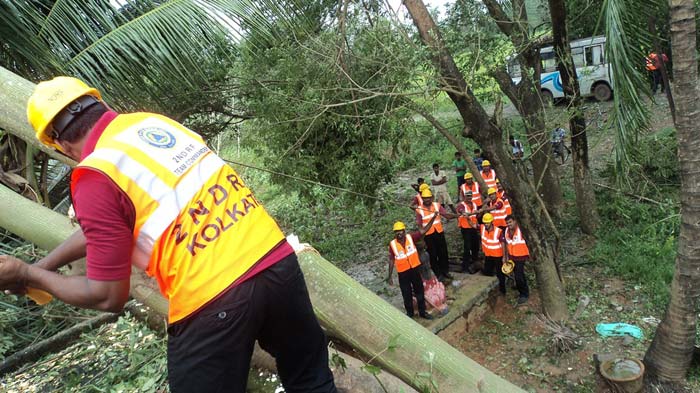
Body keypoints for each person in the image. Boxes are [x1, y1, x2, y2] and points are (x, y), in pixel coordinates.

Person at [0, 76, 337, 393]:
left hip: (212, 297)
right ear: (96, 103)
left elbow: (107, 295)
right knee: (311, 381)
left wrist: (29, 275)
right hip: (275, 263)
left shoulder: (95, 175)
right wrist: (39, 268)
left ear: (59, 144)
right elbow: (108, 229)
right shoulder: (152, 124)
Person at [387, 220, 434, 319]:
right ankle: (410, 314)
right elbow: (391, 260)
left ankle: (423, 312)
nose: (398, 233)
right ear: (394, 233)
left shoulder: (410, 237)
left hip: (414, 269)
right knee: (406, 294)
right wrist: (389, 276)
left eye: (400, 231)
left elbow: (423, 231)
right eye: (396, 231)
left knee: (419, 291)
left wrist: (433, 218)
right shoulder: (392, 244)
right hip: (403, 273)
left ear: (404, 231)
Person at [415, 188, 457, 282]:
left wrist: (457, 215)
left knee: (443, 253)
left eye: (428, 198)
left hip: (439, 232)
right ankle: (438, 274)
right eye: (425, 198)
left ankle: (445, 271)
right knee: (433, 255)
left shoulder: (437, 205)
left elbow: (446, 215)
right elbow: (420, 227)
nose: (427, 200)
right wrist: (421, 239)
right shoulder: (419, 210)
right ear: (422, 198)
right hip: (428, 235)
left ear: (432, 197)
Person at [502, 215, 530, 305]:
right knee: (518, 275)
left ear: (515, 221)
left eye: (510, 222)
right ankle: (523, 290)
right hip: (512, 257)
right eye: (507, 223)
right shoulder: (506, 231)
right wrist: (505, 256)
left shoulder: (521, 230)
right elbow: (506, 244)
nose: (508, 224)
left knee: (518, 276)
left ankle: (524, 294)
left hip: (521, 256)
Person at [480, 213, 506, 296]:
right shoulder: (482, 228)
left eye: (488, 222)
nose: (486, 224)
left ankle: (502, 291)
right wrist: (468, 218)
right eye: (485, 223)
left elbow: (503, 244)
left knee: (500, 273)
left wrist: (504, 257)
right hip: (488, 255)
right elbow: (473, 225)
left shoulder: (498, 231)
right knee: (487, 271)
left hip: (498, 256)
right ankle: (489, 289)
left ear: (491, 222)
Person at [456, 191, 479, 274]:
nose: (469, 198)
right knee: (467, 247)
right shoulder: (461, 205)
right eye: (467, 196)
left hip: (473, 227)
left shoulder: (474, 204)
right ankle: (465, 266)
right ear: (464, 197)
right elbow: (461, 210)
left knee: (475, 245)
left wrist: (478, 213)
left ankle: (475, 262)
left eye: (470, 196)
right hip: (466, 228)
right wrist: (464, 213)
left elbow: (476, 216)